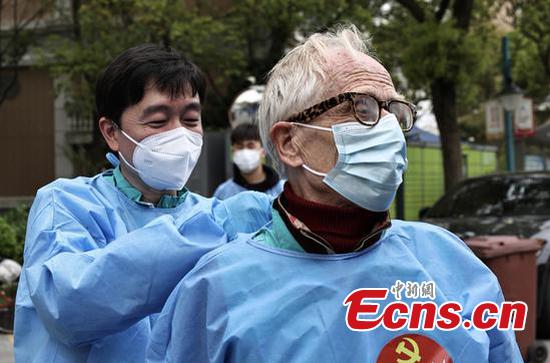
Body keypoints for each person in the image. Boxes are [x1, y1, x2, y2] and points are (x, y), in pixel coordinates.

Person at [147, 25, 523, 362]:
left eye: (394, 110)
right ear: (290, 142)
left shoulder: (450, 260)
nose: (389, 127)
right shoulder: (214, 292)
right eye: (361, 107)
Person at [14, 44, 272, 362]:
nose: (179, 135)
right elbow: (68, 305)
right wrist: (212, 228)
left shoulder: (208, 213)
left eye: (191, 119)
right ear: (111, 132)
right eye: (157, 122)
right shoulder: (67, 204)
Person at [213, 122, 284, 200]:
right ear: (233, 152)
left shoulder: (282, 189)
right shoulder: (223, 192)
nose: (245, 151)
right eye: (239, 147)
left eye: (251, 146)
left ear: (263, 152)